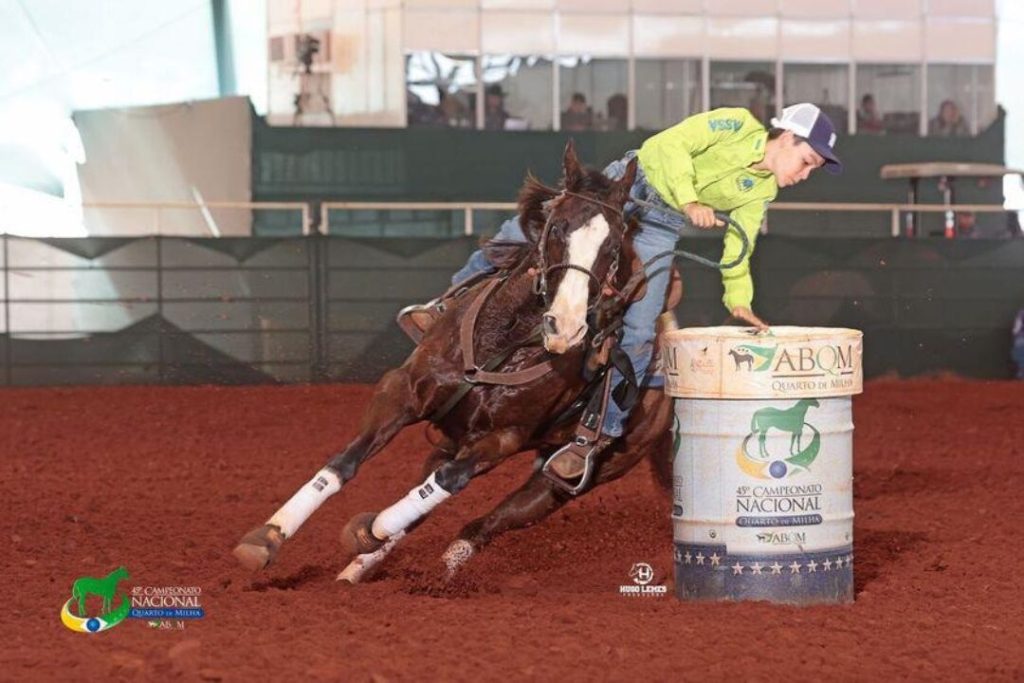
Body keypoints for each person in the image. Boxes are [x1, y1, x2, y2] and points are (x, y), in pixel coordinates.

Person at [398, 103, 843, 487]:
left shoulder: (760, 190)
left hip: (658, 227)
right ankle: (444, 307)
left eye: (813, 169)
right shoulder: (736, 123)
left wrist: (739, 299)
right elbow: (668, 146)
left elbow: (741, 243)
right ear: (786, 138)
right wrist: (690, 201)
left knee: (639, 331)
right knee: (518, 236)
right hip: (621, 187)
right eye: (806, 160)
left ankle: (594, 434)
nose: (804, 173)